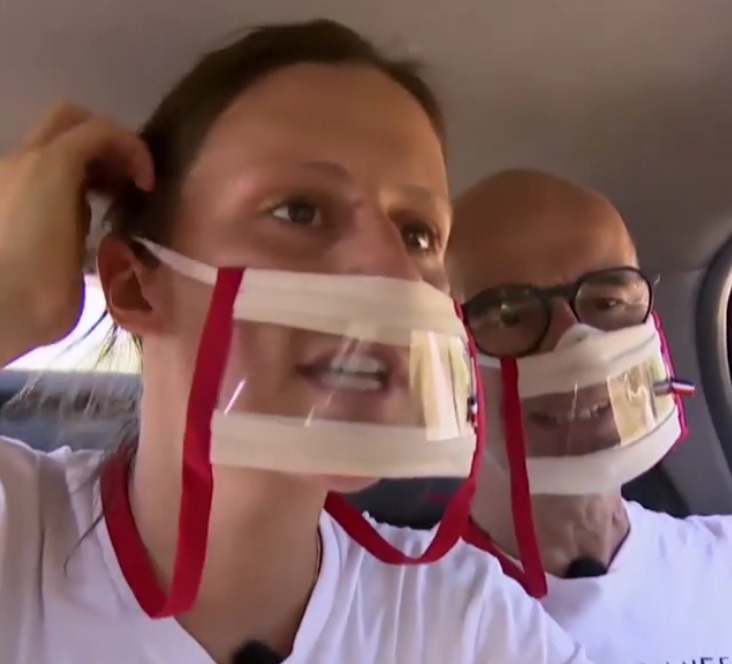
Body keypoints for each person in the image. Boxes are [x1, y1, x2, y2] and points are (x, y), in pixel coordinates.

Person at [0, 21, 592, 664]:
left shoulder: (471, 624)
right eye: (300, 211)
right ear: (136, 287)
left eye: (418, 235)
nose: (393, 276)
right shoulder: (13, 532)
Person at [448, 167, 732, 664]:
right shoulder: (396, 613)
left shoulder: (721, 562)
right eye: (510, 315)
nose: (577, 346)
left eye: (608, 300)